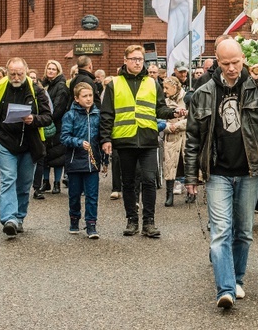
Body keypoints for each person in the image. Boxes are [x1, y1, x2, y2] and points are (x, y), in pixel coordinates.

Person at [184, 39, 258, 309]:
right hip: (218, 172)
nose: (231, 68)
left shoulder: (254, 84)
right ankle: (225, 289)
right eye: (225, 63)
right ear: (216, 60)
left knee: (244, 232)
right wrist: (191, 177)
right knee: (220, 231)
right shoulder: (204, 92)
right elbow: (193, 138)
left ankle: (238, 279)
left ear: (243, 58)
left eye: (236, 62)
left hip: (250, 170)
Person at [100, 45, 185, 238]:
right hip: (124, 139)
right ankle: (132, 220)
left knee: (148, 180)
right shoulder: (115, 84)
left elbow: (159, 109)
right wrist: (105, 139)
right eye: (134, 59)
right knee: (128, 183)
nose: (138, 62)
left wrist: (174, 112)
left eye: (140, 59)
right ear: (125, 60)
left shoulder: (152, 83)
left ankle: (149, 222)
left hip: (147, 139)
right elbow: (107, 114)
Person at [0, 57, 52, 238]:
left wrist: (33, 119)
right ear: (7, 72)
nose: (16, 77)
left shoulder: (36, 90)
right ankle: (9, 219)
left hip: (30, 144)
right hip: (6, 141)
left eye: (19, 73)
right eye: (12, 73)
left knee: (24, 184)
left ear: (26, 72)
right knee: (8, 179)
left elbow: (48, 116)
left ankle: (19, 218)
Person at [60, 82, 106, 238]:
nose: (88, 99)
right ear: (76, 98)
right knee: (74, 194)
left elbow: (101, 138)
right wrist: (78, 142)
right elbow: (64, 137)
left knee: (92, 195)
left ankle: (91, 224)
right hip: (74, 161)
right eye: (85, 96)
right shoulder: (70, 115)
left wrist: (104, 156)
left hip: (92, 162)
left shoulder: (97, 115)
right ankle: (74, 219)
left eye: (90, 95)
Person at [40, 60, 69, 194]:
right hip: (46, 124)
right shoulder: (45, 85)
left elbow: (58, 107)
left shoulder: (61, 86)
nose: (51, 71)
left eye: (54, 69)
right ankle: (46, 182)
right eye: (49, 68)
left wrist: (48, 118)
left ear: (58, 71)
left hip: (56, 124)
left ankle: (57, 183)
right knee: (45, 154)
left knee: (57, 156)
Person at [162, 77, 187, 207]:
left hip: (185, 137)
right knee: (170, 166)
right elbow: (159, 119)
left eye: (167, 88)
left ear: (175, 87)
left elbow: (193, 118)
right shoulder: (164, 102)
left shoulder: (187, 98)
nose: (164, 90)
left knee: (188, 164)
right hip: (171, 137)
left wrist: (177, 126)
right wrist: (167, 127)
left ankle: (191, 192)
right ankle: (169, 195)